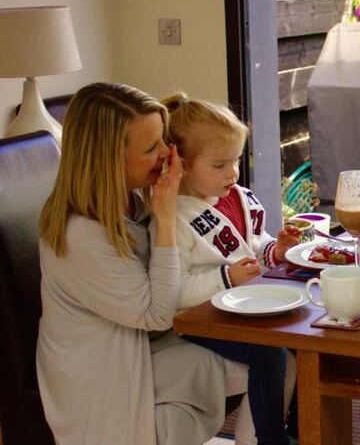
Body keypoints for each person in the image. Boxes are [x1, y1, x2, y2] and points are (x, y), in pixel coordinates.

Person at [36, 82, 227, 445]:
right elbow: (155, 314)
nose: (166, 154)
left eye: (162, 139)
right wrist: (168, 219)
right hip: (100, 371)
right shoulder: (81, 235)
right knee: (219, 365)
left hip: (142, 343)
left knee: (266, 357)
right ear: (108, 158)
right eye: (151, 147)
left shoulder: (130, 201)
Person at [157, 92, 301, 445]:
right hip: (197, 319)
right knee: (268, 353)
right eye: (219, 165)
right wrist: (226, 278)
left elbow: (251, 246)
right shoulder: (174, 216)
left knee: (301, 336)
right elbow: (176, 289)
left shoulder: (235, 196)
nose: (233, 173)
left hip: (241, 307)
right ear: (183, 164)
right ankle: (270, 437)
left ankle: (295, 427)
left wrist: (275, 251)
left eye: (236, 160)